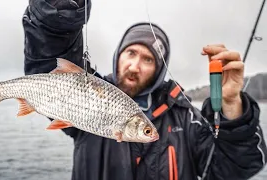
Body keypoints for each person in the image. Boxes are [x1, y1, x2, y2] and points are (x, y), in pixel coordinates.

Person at [22, 0, 267, 179]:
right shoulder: (89, 95)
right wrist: (58, 11)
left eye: (148, 59)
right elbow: (48, 66)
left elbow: (238, 167)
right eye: (130, 53)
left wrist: (232, 106)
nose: (135, 65)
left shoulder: (187, 117)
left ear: (160, 69)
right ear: (118, 56)